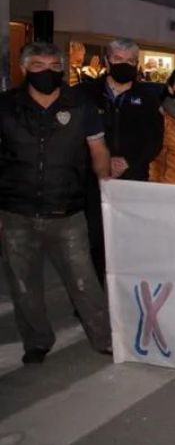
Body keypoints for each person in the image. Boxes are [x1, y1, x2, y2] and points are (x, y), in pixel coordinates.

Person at [0, 42, 113, 363]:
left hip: (67, 212)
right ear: (24, 68)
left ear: (62, 69)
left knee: (85, 282)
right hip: (16, 211)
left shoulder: (80, 105)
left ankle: (105, 338)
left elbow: (99, 151)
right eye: (38, 66)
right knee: (24, 285)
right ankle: (37, 341)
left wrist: (106, 190)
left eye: (53, 66)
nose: (46, 72)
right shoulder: (6, 106)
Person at [79, 38, 164, 282]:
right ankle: (98, 292)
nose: (124, 64)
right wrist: (100, 162)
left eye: (130, 60)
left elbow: (154, 140)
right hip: (93, 180)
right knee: (95, 241)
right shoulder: (86, 94)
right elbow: (75, 137)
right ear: (107, 61)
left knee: (130, 240)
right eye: (118, 59)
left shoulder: (148, 97)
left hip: (132, 178)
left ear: (137, 64)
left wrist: (128, 161)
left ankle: (126, 293)